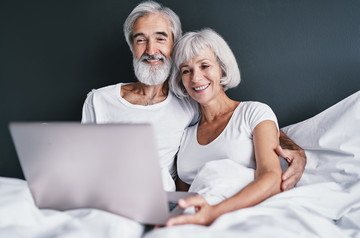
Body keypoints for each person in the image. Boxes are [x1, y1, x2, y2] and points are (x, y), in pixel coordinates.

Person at [81, 1, 305, 192]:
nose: (151, 50)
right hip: (105, 197)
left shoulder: (189, 100)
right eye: (141, 40)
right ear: (132, 47)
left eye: (160, 39)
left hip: (160, 201)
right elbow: (80, 162)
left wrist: (295, 150)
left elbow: (238, 118)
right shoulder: (99, 100)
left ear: (173, 45)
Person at [166, 28, 284, 226]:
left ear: (221, 67)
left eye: (204, 66)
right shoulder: (184, 135)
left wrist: (213, 213)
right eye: (186, 70)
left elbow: (272, 178)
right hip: (195, 222)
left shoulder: (254, 113)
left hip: (241, 218)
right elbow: (184, 197)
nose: (195, 78)